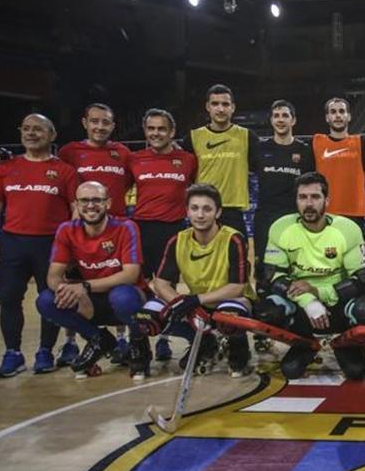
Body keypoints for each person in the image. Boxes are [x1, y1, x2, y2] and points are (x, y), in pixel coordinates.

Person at [253, 172, 365, 379]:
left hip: (337, 304)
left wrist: (319, 292)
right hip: (303, 307)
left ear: (327, 200)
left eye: (315, 197)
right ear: (296, 201)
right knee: (267, 311)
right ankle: (306, 344)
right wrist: (309, 301)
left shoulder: (348, 229)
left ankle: (343, 343)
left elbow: (364, 281)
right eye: (302, 197)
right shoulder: (281, 228)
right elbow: (272, 276)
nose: (308, 204)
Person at [0, 113, 78, 377]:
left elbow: (75, 209)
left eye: (38, 129)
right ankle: (12, 353)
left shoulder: (64, 171)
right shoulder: (5, 168)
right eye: (26, 129)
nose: (31, 133)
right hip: (13, 242)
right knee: (9, 298)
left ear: (52, 135)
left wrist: (72, 246)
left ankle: (46, 350)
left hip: (51, 244)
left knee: (51, 299)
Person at [35, 181, 147, 378]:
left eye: (97, 200)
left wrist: (85, 287)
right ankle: (98, 339)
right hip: (91, 302)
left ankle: (139, 345)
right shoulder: (66, 230)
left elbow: (131, 275)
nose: (90, 205)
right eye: (84, 201)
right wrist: (71, 291)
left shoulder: (126, 227)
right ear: (77, 205)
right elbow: (53, 276)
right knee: (45, 300)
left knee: (122, 296)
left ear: (108, 203)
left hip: (127, 298)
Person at [144, 183, 252, 378]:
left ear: (218, 212)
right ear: (187, 211)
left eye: (207, 209)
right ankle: (202, 339)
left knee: (231, 311)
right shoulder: (177, 240)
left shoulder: (233, 239)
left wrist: (195, 300)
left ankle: (238, 350)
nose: (200, 215)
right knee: (149, 314)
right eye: (194, 208)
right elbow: (161, 283)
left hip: (229, 302)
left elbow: (238, 287)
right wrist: (179, 301)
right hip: (196, 305)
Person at [56, 102, 134, 367]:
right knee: (72, 284)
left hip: (116, 231)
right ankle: (71, 343)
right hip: (81, 234)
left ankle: (123, 338)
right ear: (84, 123)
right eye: (94, 121)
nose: (99, 127)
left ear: (113, 126)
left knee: (120, 285)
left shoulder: (123, 153)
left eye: (105, 122)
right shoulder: (69, 152)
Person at [129, 108, 197, 363]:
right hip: (142, 229)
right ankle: (139, 338)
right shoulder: (134, 160)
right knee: (138, 287)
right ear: (145, 131)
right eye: (151, 128)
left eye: (161, 128)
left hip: (174, 230)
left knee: (167, 286)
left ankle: (164, 340)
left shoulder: (188, 159)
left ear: (172, 132)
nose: (156, 133)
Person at [252, 100, 315, 284]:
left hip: (294, 218)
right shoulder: (259, 149)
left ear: (293, 120)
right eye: (276, 116)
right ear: (271, 120)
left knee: (296, 266)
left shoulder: (304, 151)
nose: (281, 120)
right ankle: (264, 304)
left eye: (285, 115)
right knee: (264, 268)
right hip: (265, 218)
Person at [186, 84, 259, 233]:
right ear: (207, 107)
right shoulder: (192, 138)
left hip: (234, 211)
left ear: (233, 107)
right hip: (203, 210)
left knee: (234, 256)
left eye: (225, 104)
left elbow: (256, 168)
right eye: (215, 104)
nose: (220, 109)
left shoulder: (247, 137)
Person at [311, 97, 365, 229]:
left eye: (341, 111)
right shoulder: (316, 142)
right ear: (327, 117)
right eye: (333, 112)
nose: (337, 115)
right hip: (326, 213)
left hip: (354, 213)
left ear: (348, 116)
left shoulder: (361, 143)